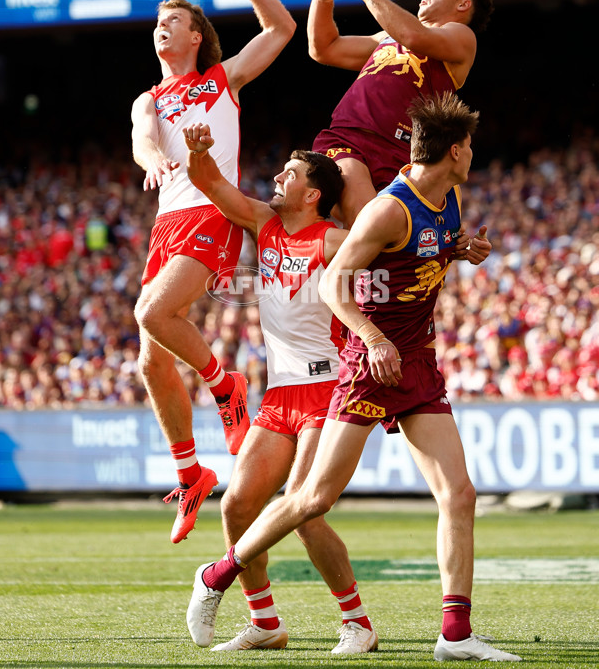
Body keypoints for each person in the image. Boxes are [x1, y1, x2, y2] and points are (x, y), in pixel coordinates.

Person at [186, 92, 522, 662]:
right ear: (456, 150)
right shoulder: (387, 209)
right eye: (470, 146)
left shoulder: (449, 199)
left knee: (459, 494)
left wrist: (461, 248)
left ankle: (455, 636)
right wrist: (371, 338)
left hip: (415, 361)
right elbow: (332, 283)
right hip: (370, 364)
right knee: (313, 498)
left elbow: (420, 253)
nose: (473, 155)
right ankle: (218, 574)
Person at [182, 121, 377, 654]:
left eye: (289, 174)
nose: (277, 177)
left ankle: (357, 623)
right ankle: (265, 623)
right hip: (280, 395)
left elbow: (391, 249)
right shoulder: (264, 222)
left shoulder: (334, 239)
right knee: (237, 507)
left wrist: (449, 245)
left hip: (328, 390)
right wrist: (199, 151)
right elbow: (211, 186)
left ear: (312, 194)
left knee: (306, 509)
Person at [131, 0, 296, 545]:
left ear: (197, 35)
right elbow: (143, 139)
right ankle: (190, 473)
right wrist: (152, 161)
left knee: (152, 312)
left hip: (213, 209)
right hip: (167, 219)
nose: (161, 28)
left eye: (172, 21)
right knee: (149, 360)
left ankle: (226, 384)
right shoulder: (148, 97)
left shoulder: (221, 81)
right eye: (156, 23)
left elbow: (281, 29)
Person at [308, 0, 494, 227]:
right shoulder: (387, 36)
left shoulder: (462, 36)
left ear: (463, 5)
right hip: (350, 136)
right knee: (365, 220)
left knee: (389, 239)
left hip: (399, 150)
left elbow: (413, 36)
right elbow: (323, 48)